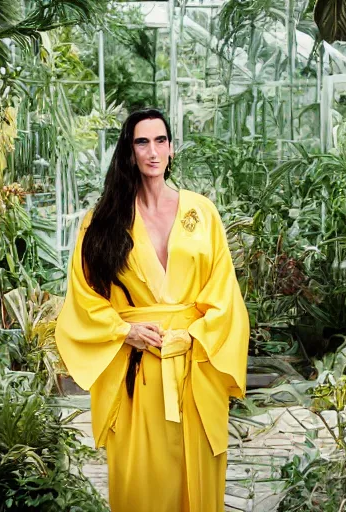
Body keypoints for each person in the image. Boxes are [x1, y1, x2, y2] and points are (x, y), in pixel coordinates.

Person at [55, 109, 249, 511]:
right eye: (142, 142)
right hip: (137, 367)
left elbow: (225, 293)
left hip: (195, 366)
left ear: (172, 149)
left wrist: (194, 336)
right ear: (129, 152)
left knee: (196, 477)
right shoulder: (103, 222)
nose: (153, 151)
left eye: (160, 140)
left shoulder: (202, 212)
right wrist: (124, 331)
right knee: (143, 481)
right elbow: (83, 295)